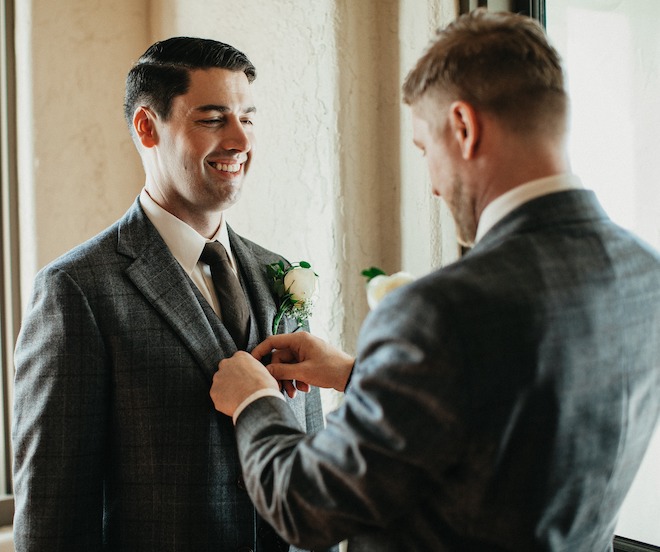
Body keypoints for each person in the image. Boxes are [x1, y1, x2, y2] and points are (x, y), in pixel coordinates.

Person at [209, 9, 660, 552]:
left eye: (425, 150)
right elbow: (520, 425)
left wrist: (255, 402)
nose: (433, 188)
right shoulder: (644, 271)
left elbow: (306, 508)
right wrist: (360, 375)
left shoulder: (441, 311)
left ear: (464, 128)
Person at [12, 37, 334, 552]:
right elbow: (53, 515)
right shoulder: (76, 289)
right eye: (212, 119)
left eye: (247, 119)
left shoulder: (277, 272)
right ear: (147, 126)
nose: (239, 141)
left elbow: (307, 467)